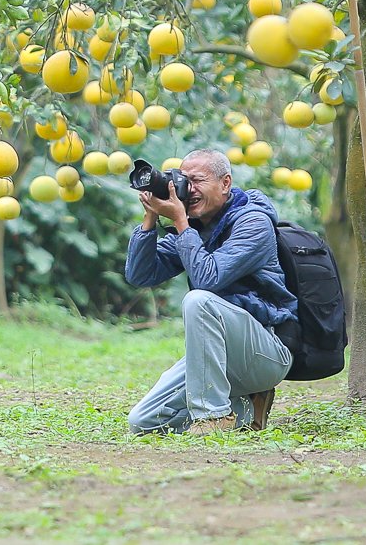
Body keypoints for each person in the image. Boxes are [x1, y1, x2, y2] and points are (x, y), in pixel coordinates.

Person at [124, 147, 297, 435]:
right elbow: (140, 275)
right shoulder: (194, 227)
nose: (188, 189)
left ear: (225, 183)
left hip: (266, 351)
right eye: (183, 180)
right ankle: (244, 408)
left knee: (199, 300)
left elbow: (208, 278)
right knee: (143, 421)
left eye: (197, 180)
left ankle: (213, 416)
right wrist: (151, 218)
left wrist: (180, 223)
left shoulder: (252, 222)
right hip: (213, 357)